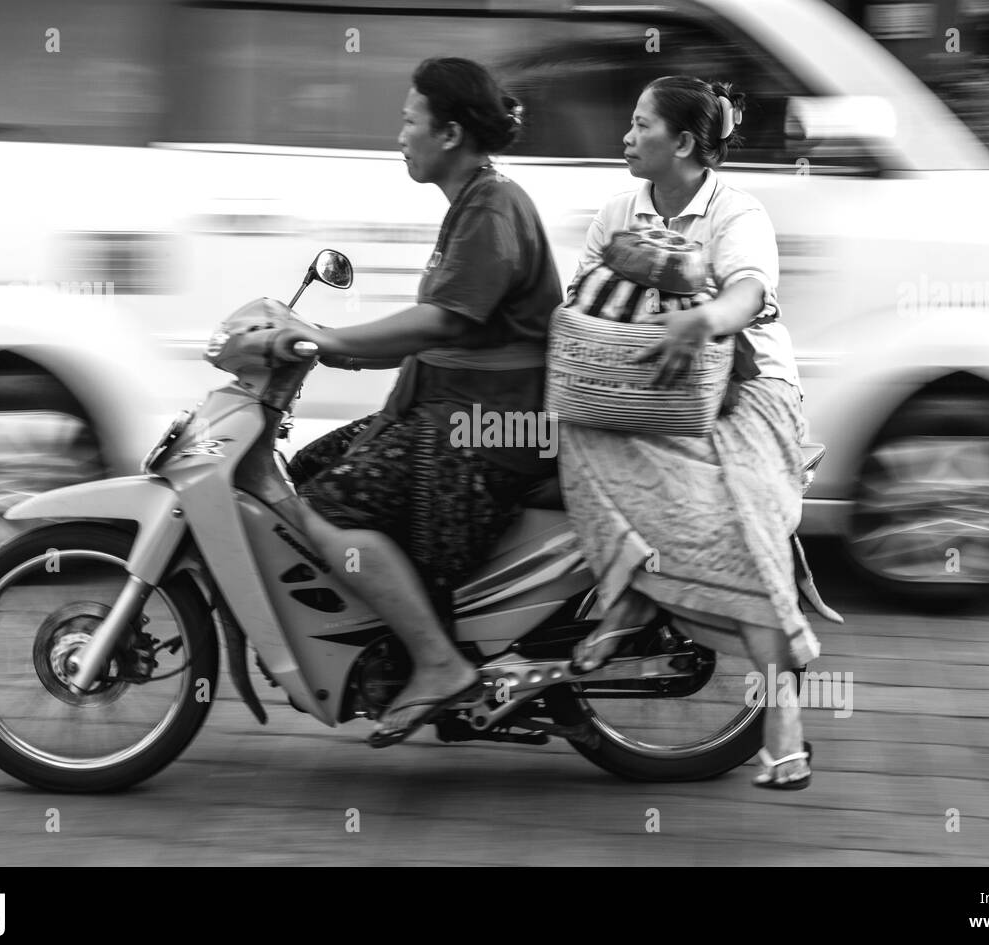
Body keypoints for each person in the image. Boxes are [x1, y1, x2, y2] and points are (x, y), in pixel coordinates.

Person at [269, 58, 562, 747]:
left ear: (450, 131)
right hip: (448, 416)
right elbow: (428, 336)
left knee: (323, 512)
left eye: (409, 120)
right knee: (303, 474)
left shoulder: (493, 207)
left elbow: (444, 323)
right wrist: (326, 346)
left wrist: (327, 335)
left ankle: (438, 662)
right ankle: (396, 648)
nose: (399, 134)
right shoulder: (473, 205)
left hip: (487, 429)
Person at [561, 76, 838, 789]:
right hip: (649, 386)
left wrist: (702, 317)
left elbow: (750, 292)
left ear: (682, 144)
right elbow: (585, 302)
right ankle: (628, 586)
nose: (626, 137)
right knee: (577, 434)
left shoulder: (735, 213)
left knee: (742, 510)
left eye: (640, 124)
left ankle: (782, 721)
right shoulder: (618, 209)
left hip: (750, 391)